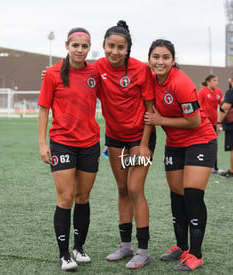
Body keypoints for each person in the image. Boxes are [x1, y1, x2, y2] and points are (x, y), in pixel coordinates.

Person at [144, 39, 217, 271]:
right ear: (149, 59)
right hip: (174, 144)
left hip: (200, 141)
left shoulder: (181, 83)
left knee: (192, 195)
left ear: (173, 60)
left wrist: (160, 120)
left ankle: (196, 253)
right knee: (177, 195)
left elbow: (194, 121)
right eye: (156, 57)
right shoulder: (148, 77)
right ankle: (181, 246)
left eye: (165, 57)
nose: (160, 61)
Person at [37, 28, 101, 271]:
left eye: (84, 46)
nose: (80, 50)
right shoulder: (52, 74)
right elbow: (43, 109)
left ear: (88, 48)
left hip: (89, 144)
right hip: (62, 142)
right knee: (65, 199)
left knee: (82, 197)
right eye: (75, 45)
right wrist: (43, 143)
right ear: (67, 45)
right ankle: (64, 254)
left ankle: (79, 247)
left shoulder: (95, 72)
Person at [94, 20, 156, 269]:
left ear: (128, 49)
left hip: (140, 138)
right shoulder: (98, 67)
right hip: (115, 138)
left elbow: (151, 110)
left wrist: (143, 145)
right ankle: (125, 246)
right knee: (122, 189)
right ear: (104, 45)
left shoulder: (141, 70)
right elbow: (74, 72)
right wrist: (52, 72)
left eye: (121, 47)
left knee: (134, 189)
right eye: (111, 46)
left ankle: (143, 250)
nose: (115, 52)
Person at [198, 75, 223, 173]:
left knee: (213, 144)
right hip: (204, 123)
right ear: (208, 82)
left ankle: (214, 167)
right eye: (214, 80)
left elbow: (222, 106)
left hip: (214, 123)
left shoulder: (218, 92)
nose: (216, 82)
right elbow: (198, 106)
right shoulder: (202, 92)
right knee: (203, 144)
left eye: (217, 80)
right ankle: (201, 164)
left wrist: (220, 123)